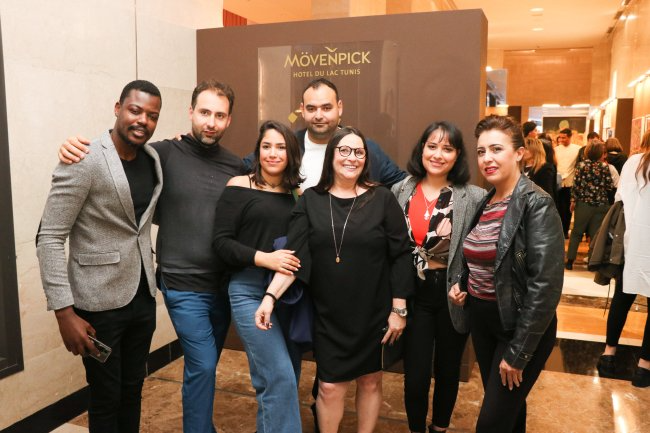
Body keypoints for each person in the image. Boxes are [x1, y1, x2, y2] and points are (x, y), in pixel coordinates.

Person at [56, 80, 246, 433]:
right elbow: (52, 234)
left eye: (219, 115)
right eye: (204, 112)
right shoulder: (161, 154)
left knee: (146, 384)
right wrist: (72, 147)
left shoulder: (231, 166)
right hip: (172, 285)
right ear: (190, 112)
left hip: (205, 289)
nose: (210, 122)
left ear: (229, 120)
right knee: (201, 366)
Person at [255, 127, 413, 433]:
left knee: (370, 380)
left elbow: (401, 255)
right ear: (331, 156)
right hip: (328, 314)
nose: (351, 158)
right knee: (328, 387)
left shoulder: (381, 198)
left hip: (375, 311)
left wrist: (399, 309)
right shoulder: (311, 200)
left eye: (359, 152)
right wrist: (269, 297)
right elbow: (293, 258)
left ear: (366, 159)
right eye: (344, 150)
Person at [37, 80, 163, 432]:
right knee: (106, 396)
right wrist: (64, 312)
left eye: (152, 115)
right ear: (118, 108)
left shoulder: (152, 159)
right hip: (98, 305)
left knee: (133, 388)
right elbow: (49, 237)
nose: (142, 120)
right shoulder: (83, 158)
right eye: (135, 110)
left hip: (142, 297)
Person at [449, 115, 564, 433]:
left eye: (496, 149)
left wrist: (518, 352)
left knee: (490, 423)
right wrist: (462, 284)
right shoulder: (487, 201)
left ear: (519, 153)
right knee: (509, 412)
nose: (487, 158)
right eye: (481, 151)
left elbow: (546, 286)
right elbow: (484, 258)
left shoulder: (536, 204)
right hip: (483, 323)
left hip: (517, 328)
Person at [391, 121, 485, 433]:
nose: (438, 154)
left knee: (448, 369)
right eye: (432, 146)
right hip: (413, 291)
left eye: (447, 149)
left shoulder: (473, 196)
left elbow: (481, 249)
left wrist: (467, 284)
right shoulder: (401, 190)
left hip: (452, 293)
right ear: (422, 149)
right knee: (415, 374)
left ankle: (440, 428)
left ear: (457, 155)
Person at [212, 120, 303, 432]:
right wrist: (266, 258)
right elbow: (221, 243)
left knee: (285, 377)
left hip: (287, 294)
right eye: (266, 146)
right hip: (248, 291)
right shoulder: (239, 185)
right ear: (257, 150)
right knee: (279, 376)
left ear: (291, 153)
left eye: (280, 147)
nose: (273, 153)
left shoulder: (297, 194)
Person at [243, 78, 406, 189]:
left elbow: (404, 185)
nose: (319, 115)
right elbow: (242, 167)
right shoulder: (287, 145)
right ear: (302, 110)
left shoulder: (365, 149)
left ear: (339, 107)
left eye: (326, 108)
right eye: (311, 108)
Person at [597, 130, 650, 387]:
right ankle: (644, 368)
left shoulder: (633, 162)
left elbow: (620, 199)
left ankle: (609, 355)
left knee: (621, 298)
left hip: (632, 243)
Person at [565, 140, 614, 270]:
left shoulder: (581, 166)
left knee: (577, 232)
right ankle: (592, 263)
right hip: (601, 204)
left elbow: (576, 185)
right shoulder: (605, 167)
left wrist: (573, 201)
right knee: (595, 235)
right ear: (600, 153)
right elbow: (609, 186)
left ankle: (570, 261)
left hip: (583, 203)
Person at [555, 128, 582, 238]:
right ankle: (559, 231)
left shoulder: (577, 149)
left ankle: (565, 231)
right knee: (558, 208)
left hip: (571, 182)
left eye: (564, 137)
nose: (561, 140)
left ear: (570, 137)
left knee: (568, 209)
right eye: (560, 137)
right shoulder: (556, 149)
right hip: (558, 183)